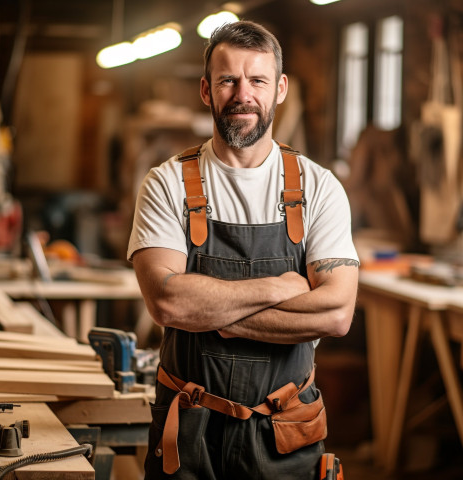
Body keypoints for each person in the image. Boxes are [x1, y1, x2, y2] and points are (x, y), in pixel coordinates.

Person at [128, 20, 359, 480]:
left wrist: (216, 315)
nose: (242, 94)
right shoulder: (167, 183)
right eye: (228, 79)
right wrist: (282, 286)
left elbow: (336, 314)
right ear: (206, 90)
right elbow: (168, 302)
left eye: (257, 80)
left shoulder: (319, 188)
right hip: (189, 431)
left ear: (280, 89)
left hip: (285, 430)